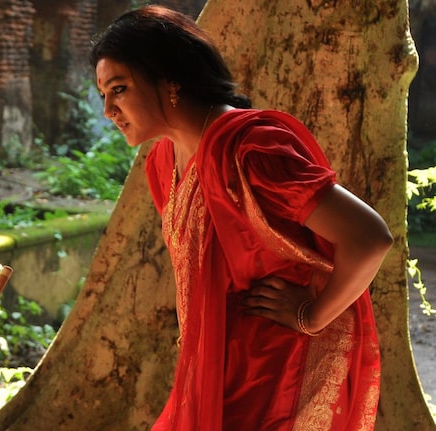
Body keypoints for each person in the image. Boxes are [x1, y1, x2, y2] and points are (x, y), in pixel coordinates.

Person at [91, 5, 393, 431]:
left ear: (169, 79)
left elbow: (370, 236)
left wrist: (313, 314)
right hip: (218, 362)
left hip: (280, 368)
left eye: (118, 89)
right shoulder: (163, 163)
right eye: (103, 93)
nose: (108, 109)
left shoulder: (250, 150)